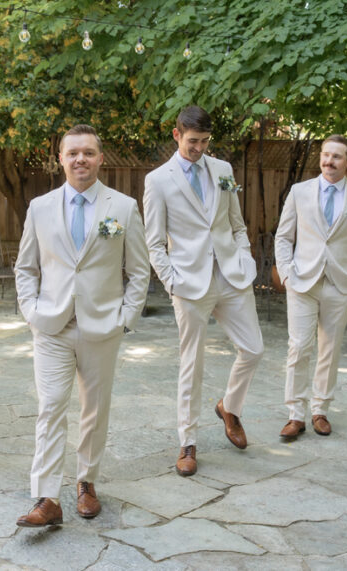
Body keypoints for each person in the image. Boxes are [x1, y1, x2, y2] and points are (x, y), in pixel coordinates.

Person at [14, 124, 150, 527]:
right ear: (60, 158)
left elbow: (139, 270)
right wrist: (31, 311)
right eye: (72, 153)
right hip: (51, 326)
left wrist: (125, 318)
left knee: (94, 409)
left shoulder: (123, 207)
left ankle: (86, 482)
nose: (80, 160)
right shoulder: (40, 207)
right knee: (50, 406)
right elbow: (26, 267)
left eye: (88, 153)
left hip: (102, 326)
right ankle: (47, 497)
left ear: (100, 158)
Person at [143, 106, 264, 477]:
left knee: (254, 349)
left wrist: (244, 258)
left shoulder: (223, 170)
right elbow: (154, 241)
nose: (199, 148)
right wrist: (171, 281)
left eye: (205, 141)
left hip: (230, 276)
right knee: (192, 364)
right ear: (177, 135)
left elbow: (236, 224)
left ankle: (229, 407)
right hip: (189, 283)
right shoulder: (157, 181)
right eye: (193, 141)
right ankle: (188, 441)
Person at [275, 134, 347, 439]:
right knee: (299, 347)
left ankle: (320, 410)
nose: (329, 161)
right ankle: (295, 414)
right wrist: (286, 274)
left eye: (336, 157)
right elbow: (284, 237)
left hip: (341, 283)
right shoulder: (300, 192)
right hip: (302, 281)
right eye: (325, 155)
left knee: (329, 349)